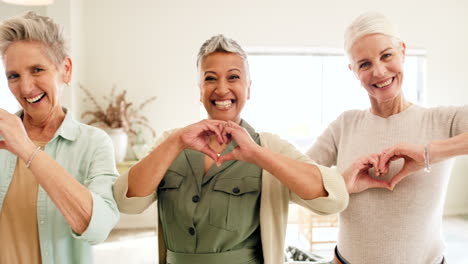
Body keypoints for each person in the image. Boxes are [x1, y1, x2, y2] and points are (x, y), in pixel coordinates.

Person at [113, 34, 377, 264]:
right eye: (210, 78)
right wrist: (177, 141)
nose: (222, 88)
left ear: (248, 89)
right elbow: (126, 202)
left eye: (234, 77)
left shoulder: (269, 146)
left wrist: (258, 155)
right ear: (200, 89)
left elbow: (334, 199)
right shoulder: (171, 143)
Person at [306, 12, 468, 264]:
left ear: (402, 51)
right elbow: (297, 176)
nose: (379, 71)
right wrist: (339, 184)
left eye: (386, 55)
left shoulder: (443, 121)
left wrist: (429, 153)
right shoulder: (344, 125)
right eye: (365, 64)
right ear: (353, 71)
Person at [0, 12, 119, 263]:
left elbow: (97, 229)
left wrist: (26, 149)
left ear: (65, 69)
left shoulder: (94, 144)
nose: (25, 88)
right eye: (14, 76)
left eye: (37, 70)